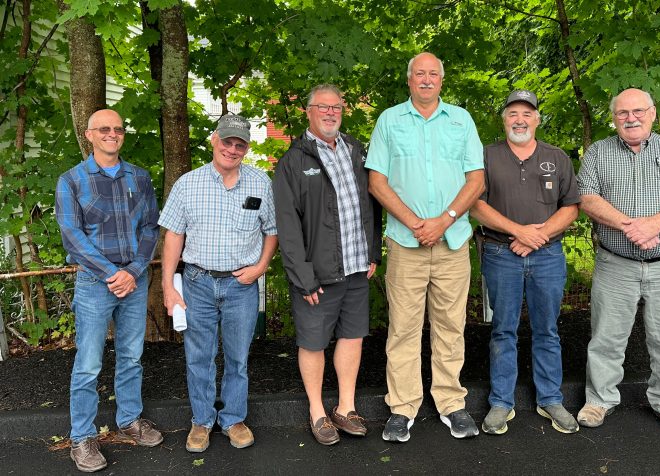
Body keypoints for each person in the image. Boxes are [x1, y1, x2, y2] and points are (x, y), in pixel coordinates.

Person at [366, 52, 485, 442]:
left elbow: (476, 180)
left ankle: (451, 402)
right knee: (403, 328)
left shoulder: (461, 120)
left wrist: (444, 220)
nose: (427, 79)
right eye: (420, 73)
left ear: (442, 80)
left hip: (452, 241)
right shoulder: (389, 121)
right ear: (409, 80)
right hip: (405, 242)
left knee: (451, 326)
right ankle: (403, 408)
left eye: (434, 73)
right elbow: (378, 182)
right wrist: (417, 224)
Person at [576, 88, 660, 438]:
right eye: (622, 113)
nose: (630, 118)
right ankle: (599, 399)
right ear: (614, 118)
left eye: (637, 111)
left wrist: (654, 224)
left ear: (652, 113)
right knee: (606, 338)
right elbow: (586, 198)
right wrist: (629, 226)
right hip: (616, 263)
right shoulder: (598, 154)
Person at [159, 114, 278, 452]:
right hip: (197, 282)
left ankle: (234, 419)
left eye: (240, 144)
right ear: (214, 140)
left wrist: (261, 266)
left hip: (242, 285)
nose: (232, 148)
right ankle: (201, 421)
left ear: (247, 148)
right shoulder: (188, 184)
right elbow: (172, 237)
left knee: (238, 357)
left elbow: (272, 231)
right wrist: (169, 286)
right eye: (227, 141)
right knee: (199, 356)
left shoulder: (260, 184)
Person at [273, 84, 382, 445]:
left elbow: (373, 204)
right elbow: (287, 227)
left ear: (343, 110)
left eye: (336, 107)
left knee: (352, 337)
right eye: (323, 107)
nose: (330, 113)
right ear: (308, 111)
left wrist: (373, 252)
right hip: (316, 275)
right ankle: (318, 410)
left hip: (356, 268)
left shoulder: (356, 151)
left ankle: (346, 407)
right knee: (313, 342)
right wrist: (302, 276)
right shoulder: (293, 162)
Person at [56, 109, 162, 472]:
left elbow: (151, 228)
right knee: (88, 363)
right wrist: (112, 273)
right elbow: (72, 236)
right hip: (94, 284)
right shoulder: (72, 181)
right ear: (89, 135)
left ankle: (129, 420)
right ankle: (82, 437)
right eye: (104, 129)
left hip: (134, 281)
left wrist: (132, 272)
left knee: (131, 357)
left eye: (117, 129)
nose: (112, 134)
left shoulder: (140, 178)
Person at [470, 90, 581, 435]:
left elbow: (571, 206)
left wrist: (539, 235)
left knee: (547, 329)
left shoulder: (557, 157)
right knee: (503, 330)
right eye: (512, 113)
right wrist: (520, 232)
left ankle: (550, 398)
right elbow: (475, 205)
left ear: (537, 119)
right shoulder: (485, 156)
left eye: (527, 113)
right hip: (501, 254)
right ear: (503, 119)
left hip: (547, 255)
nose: (520, 119)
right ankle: (501, 402)